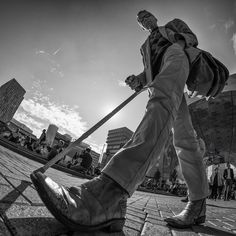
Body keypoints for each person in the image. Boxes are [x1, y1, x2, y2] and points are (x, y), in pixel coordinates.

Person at [31, 10, 209, 232]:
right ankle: (198, 202)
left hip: (176, 59)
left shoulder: (172, 25)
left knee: (160, 105)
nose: (145, 20)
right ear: (142, 26)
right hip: (160, 78)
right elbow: (148, 71)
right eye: (141, 20)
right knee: (184, 137)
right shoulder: (144, 47)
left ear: (154, 17)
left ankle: (110, 192)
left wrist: (178, 46)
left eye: (146, 16)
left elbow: (189, 38)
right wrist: (139, 79)